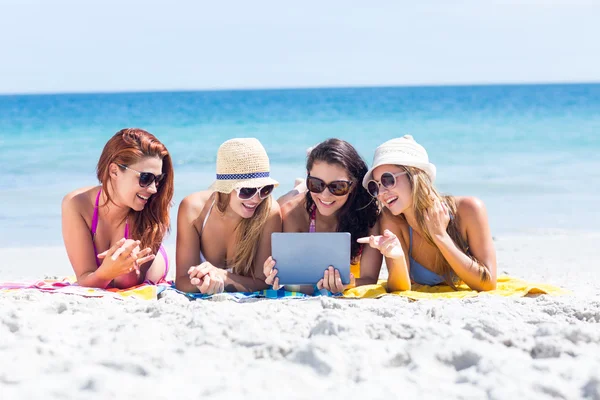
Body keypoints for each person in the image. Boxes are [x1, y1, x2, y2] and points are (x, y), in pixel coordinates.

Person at [358, 135, 497, 292]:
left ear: (415, 174)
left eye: (387, 180)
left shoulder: (469, 209)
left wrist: (440, 237)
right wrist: (397, 258)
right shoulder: (391, 219)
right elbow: (400, 289)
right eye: (375, 187)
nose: (381, 192)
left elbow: (488, 284)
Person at [264, 138, 382, 294]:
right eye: (316, 184)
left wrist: (348, 284)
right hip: (302, 202)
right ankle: (300, 187)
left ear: (353, 185)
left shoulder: (368, 213)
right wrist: (277, 276)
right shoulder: (293, 213)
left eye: (337, 187)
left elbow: (369, 279)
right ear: (308, 177)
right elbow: (295, 278)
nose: (325, 195)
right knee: (282, 203)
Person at [62, 128, 174, 289]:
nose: (153, 189)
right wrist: (106, 273)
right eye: (146, 178)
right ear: (114, 171)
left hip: (151, 269)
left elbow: (126, 283)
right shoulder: (77, 204)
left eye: (158, 180)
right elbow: (85, 278)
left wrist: (125, 269)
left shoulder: (154, 210)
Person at [176, 138, 282, 294]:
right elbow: (182, 280)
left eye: (265, 189)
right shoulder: (193, 209)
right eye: (247, 190)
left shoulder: (269, 212)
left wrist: (223, 277)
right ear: (225, 188)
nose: (257, 199)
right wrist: (203, 283)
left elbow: (262, 283)